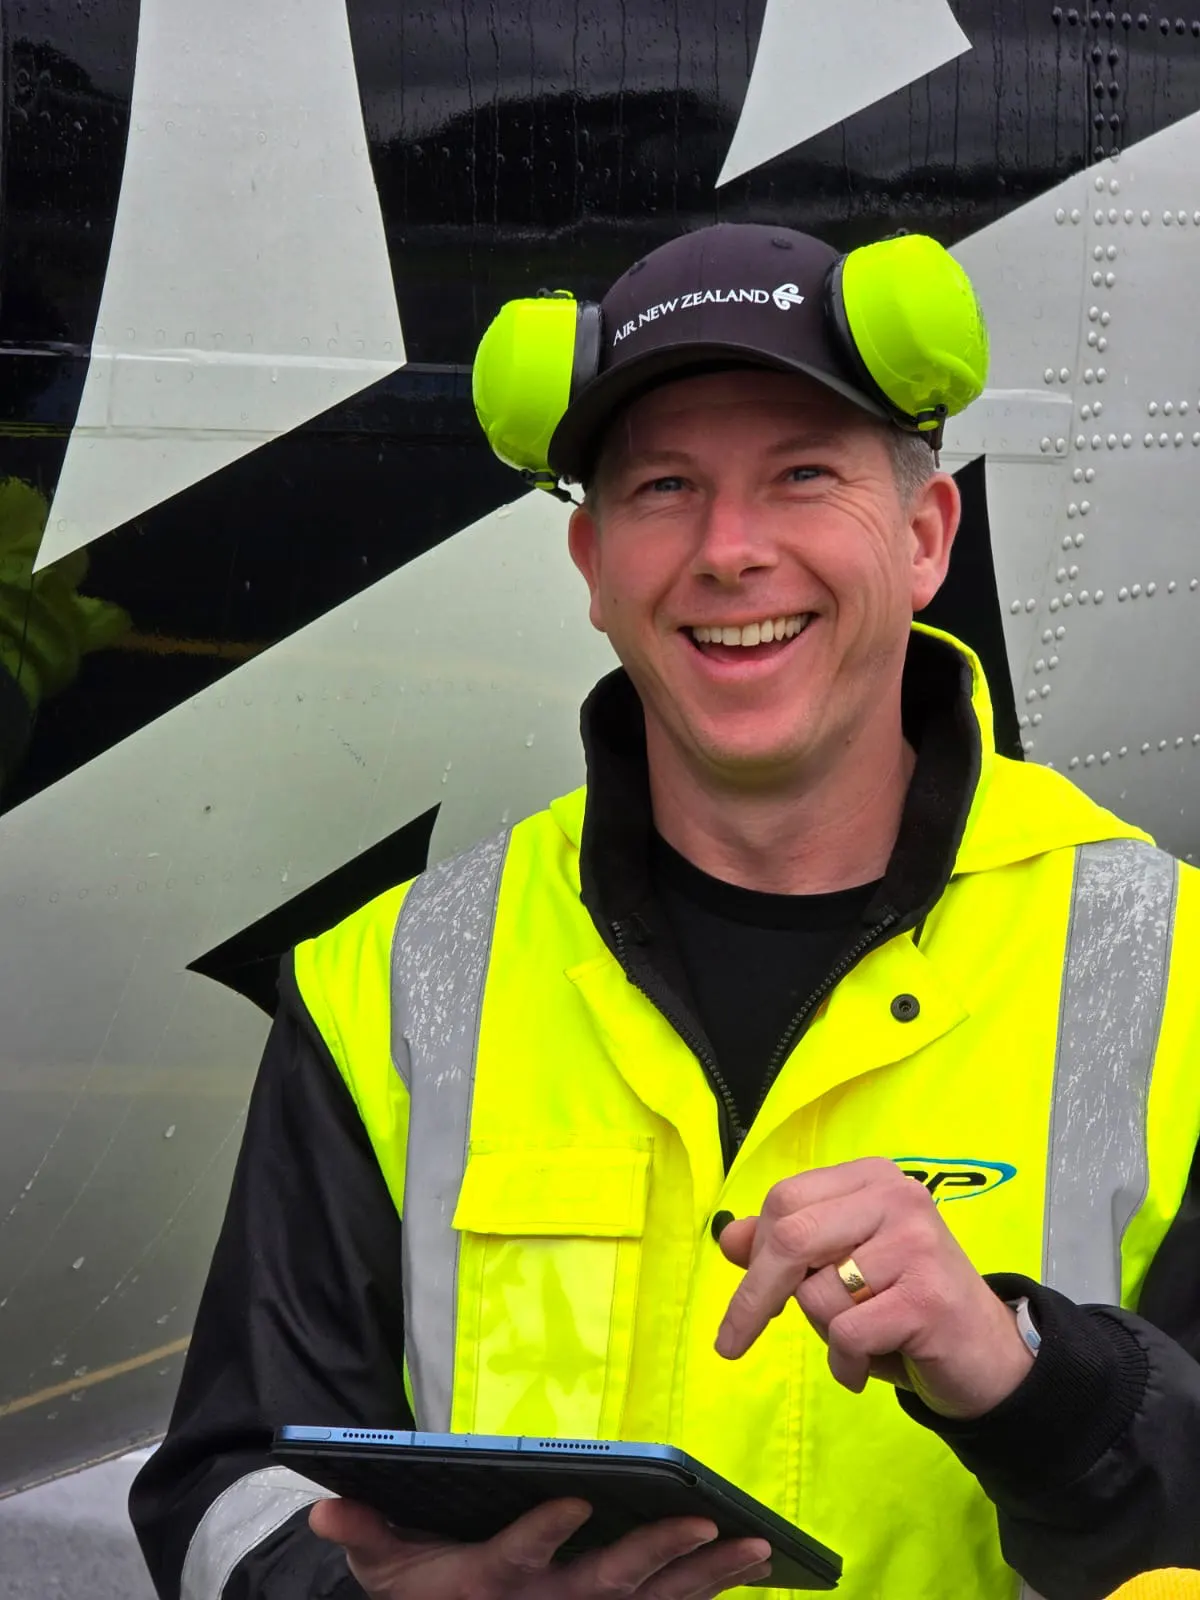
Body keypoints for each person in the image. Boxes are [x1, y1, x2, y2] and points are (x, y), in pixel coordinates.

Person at [130, 224, 1200, 1600]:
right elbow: (230, 1488)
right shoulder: (389, 986)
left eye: (803, 475)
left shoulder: (1170, 980)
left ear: (927, 538)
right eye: (664, 488)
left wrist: (1035, 1386)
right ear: (591, 561)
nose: (728, 551)